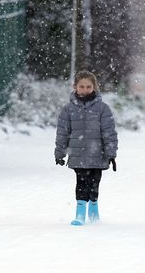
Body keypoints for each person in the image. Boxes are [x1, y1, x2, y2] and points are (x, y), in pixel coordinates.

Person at [55, 70, 118, 226]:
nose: (85, 90)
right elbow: (63, 132)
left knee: (94, 183)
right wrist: (60, 153)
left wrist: (111, 153)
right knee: (81, 182)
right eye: (81, 86)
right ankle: (80, 213)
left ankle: (94, 209)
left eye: (88, 86)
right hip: (78, 155)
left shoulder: (103, 109)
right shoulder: (68, 109)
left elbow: (109, 132)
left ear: (94, 87)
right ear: (75, 87)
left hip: (98, 154)